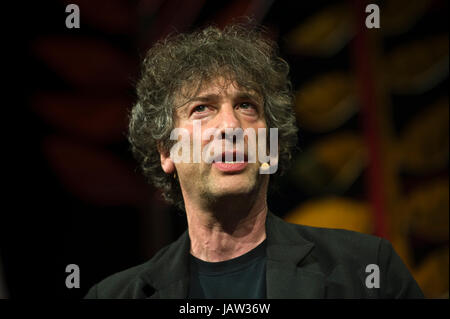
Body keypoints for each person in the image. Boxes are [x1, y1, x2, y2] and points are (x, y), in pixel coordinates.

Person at [85, 23, 424, 299]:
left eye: (247, 106)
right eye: (201, 108)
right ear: (166, 152)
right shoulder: (115, 295)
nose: (231, 126)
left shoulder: (367, 271)